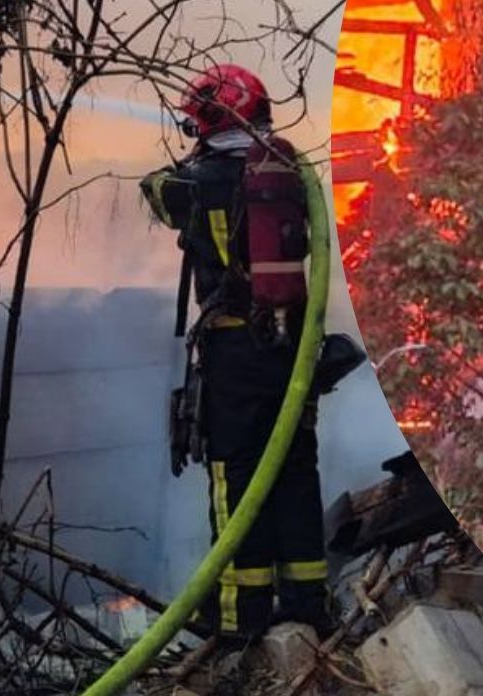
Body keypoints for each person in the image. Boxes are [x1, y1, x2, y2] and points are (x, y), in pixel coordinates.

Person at [139, 64, 333, 644]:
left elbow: (153, 189)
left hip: (234, 347)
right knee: (295, 466)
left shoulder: (196, 183)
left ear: (210, 118)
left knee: (235, 472)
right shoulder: (288, 174)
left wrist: (186, 158)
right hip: (292, 347)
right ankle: (306, 602)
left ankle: (237, 614)